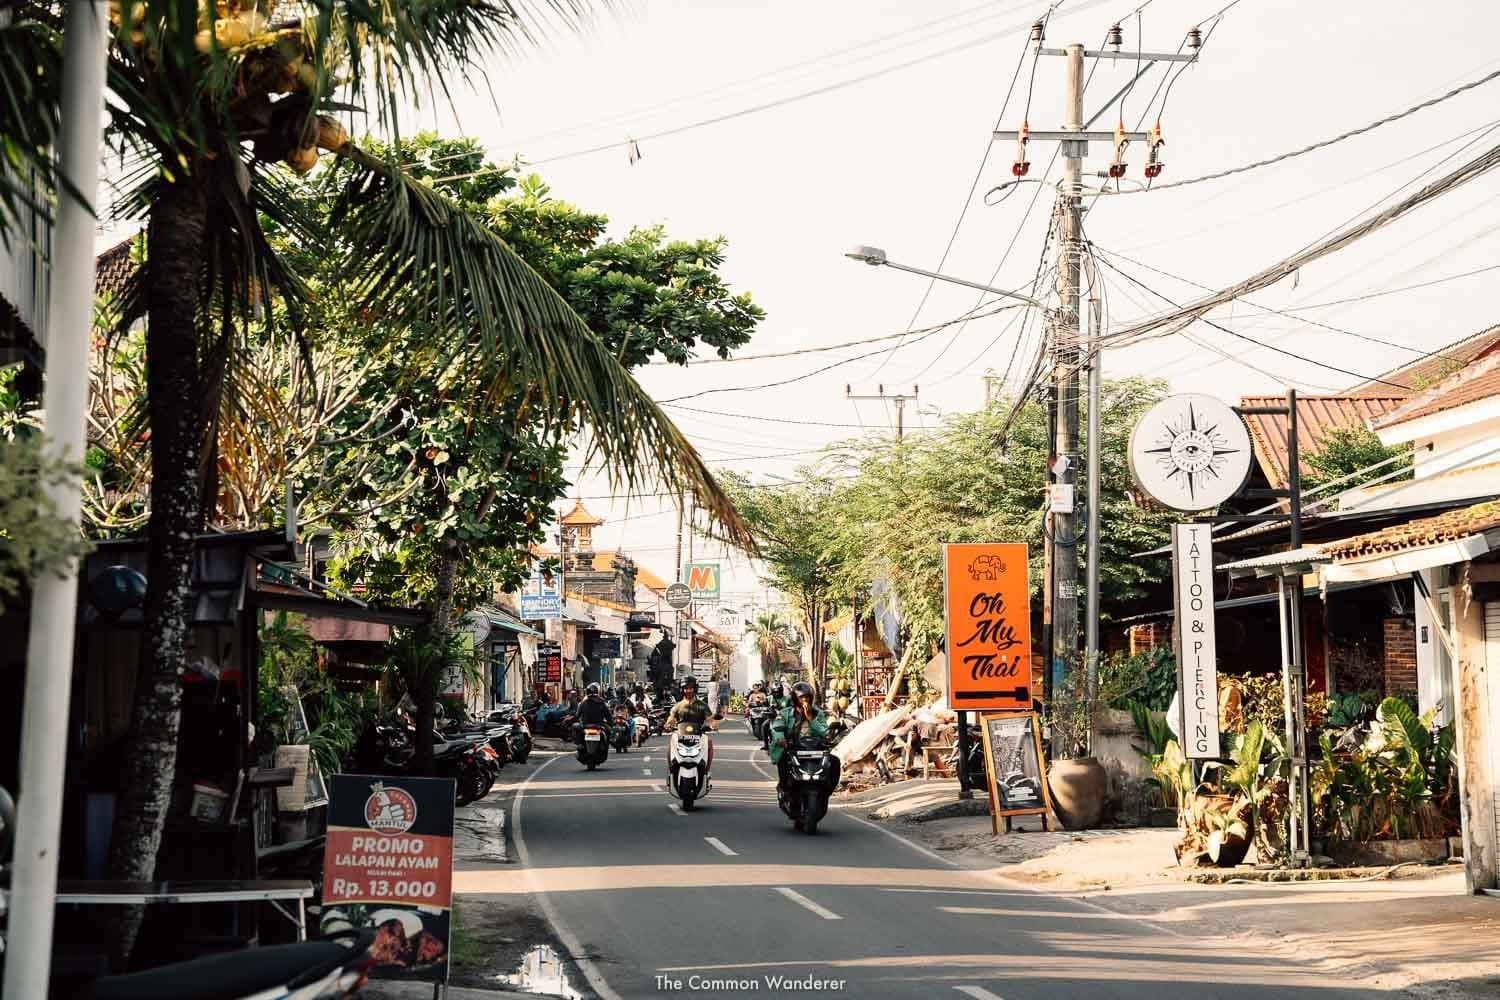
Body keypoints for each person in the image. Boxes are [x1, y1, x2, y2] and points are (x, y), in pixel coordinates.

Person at [769, 681, 833, 795]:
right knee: (783, 760)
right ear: (794, 698)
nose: (805, 700)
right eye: (802, 697)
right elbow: (777, 727)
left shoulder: (818, 713)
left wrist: (811, 718)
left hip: (814, 749)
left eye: (807, 697)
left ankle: (826, 791)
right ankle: (783, 787)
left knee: (834, 762)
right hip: (793, 748)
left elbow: (825, 732)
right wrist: (781, 738)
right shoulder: (785, 713)